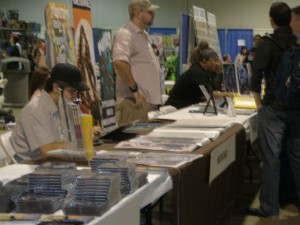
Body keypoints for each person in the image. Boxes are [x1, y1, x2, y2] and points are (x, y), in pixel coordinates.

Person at [248, 2, 299, 219]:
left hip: (273, 108)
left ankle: (269, 207)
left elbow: (256, 76)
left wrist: (259, 104)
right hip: (297, 108)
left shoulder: (267, 43)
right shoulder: (296, 42)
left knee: (271, 159)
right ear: (290, 19)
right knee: (297, 158)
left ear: (271, 20)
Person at [10, 63, 90, 162]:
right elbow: (47, 150)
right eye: (72, 92)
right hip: (29, 167)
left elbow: (76, 135)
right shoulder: (35, 109)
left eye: (78, 93)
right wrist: (79, 142)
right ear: (56, 88)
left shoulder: (62, 105)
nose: (75, 98)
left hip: (52, 163)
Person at [112, 0, 162, 125]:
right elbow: (119, 62)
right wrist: (135, 91)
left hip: (146, 103)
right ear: (138, 13)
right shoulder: (126, 34)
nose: (154, 14)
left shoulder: (143, 34)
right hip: (135, 103)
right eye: (150, 12)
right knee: (132, 143)